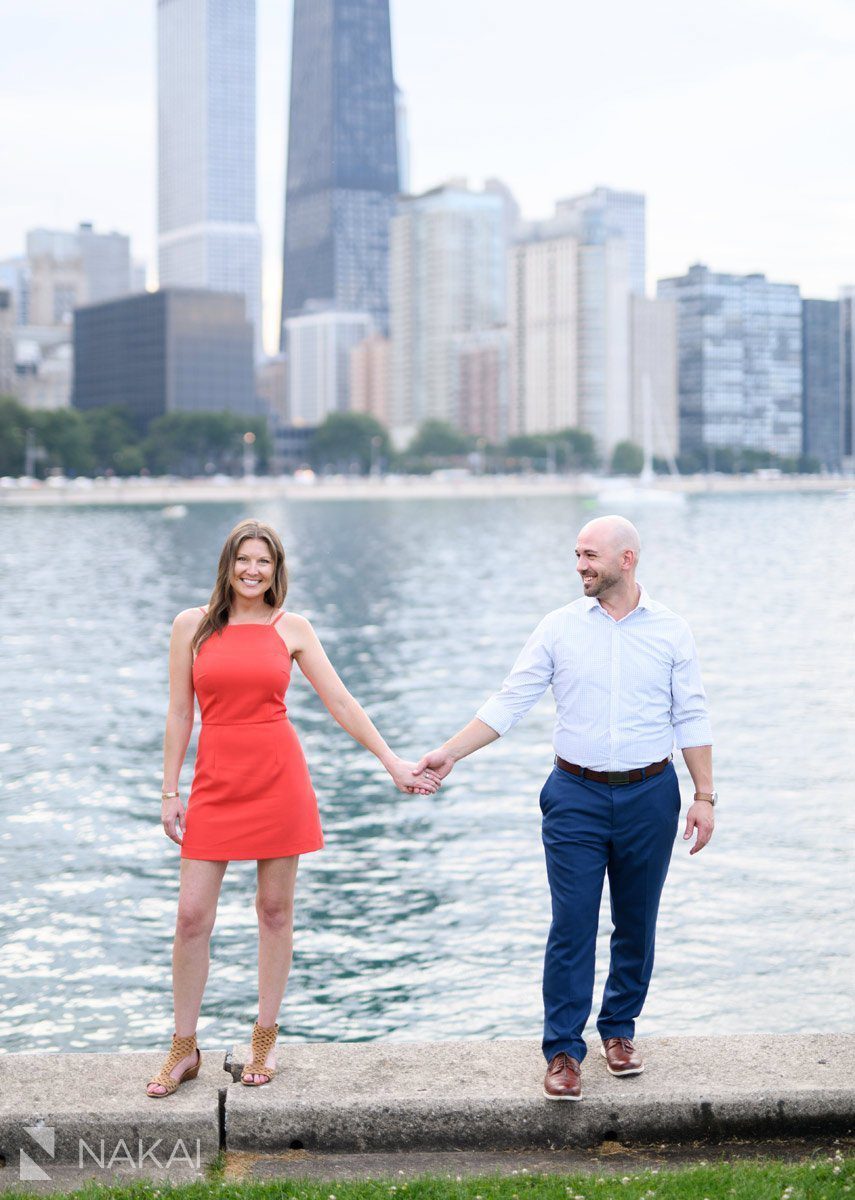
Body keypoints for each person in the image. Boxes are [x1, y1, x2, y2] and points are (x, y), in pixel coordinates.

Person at [413, 515, 715, 1100]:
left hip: (651, 793)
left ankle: (619, 1031)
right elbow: (511, 700)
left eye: (590, 555)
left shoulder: (672, 631)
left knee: (636, 921)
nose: (580, 565)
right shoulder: (558, 628)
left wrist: (704, 796)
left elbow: (692, 716)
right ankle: (562, 1051)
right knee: (572, 923)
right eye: (577, 554)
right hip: (574, 794)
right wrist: (449, 754)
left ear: (626, 560)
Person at [146, 518, 441, 1097]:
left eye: (265, 562)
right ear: (227, 565)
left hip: (279, 781)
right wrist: (169, 790)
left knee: (275, 911)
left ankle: (265, 1035)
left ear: (277, 571)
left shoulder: (292, 628)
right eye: (244, 560)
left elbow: (340, 701)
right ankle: (184, 1047)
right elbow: (181, 713)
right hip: (213, 784)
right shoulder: (192, 626)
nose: (253, 571)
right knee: (190, 917)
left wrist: (392, 761)